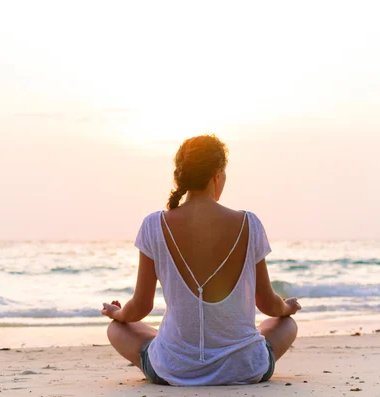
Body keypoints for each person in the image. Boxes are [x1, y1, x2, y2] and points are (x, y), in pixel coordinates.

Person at [101, 134, 300, 386]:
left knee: (117, 329)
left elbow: (141, 308)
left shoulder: (153, 225)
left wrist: (118, 314)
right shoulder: (249, 223)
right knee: (286, 325)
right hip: (245, 367)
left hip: (175, 370)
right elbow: (268, 304)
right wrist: (287, 308)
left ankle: (179, 351)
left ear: (180, 176)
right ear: (217, 174)